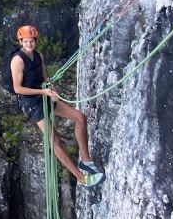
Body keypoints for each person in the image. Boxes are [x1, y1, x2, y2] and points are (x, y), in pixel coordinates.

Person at [10, 25, 104, 188]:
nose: (29, 44)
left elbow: (45, 76)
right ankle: (82, 178)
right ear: (21, 42)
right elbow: (17, 88)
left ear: (35, 41)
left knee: (80, 117)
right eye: (26, 41)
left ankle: (86, 160)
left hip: (44, 94)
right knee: (56, 141)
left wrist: (51, 87)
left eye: (31, 41)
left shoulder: (38, 56)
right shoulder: (17, 60)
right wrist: (42, 91)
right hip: (32, 103)